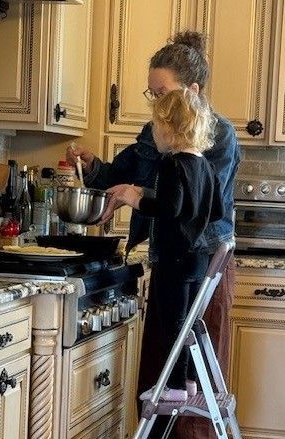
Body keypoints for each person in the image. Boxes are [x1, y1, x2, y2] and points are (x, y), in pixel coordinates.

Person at [66, 31, 240, 438]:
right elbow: (120, 174)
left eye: (161, 92)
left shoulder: (220, 136)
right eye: (152, 93)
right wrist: (94, 168)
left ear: (191, 91)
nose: (155, 103)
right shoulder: (153, 132)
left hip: (202, 269)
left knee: (193, 400)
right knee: (160, 378)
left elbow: (189, 202)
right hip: (168, 260)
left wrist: (139, 196)